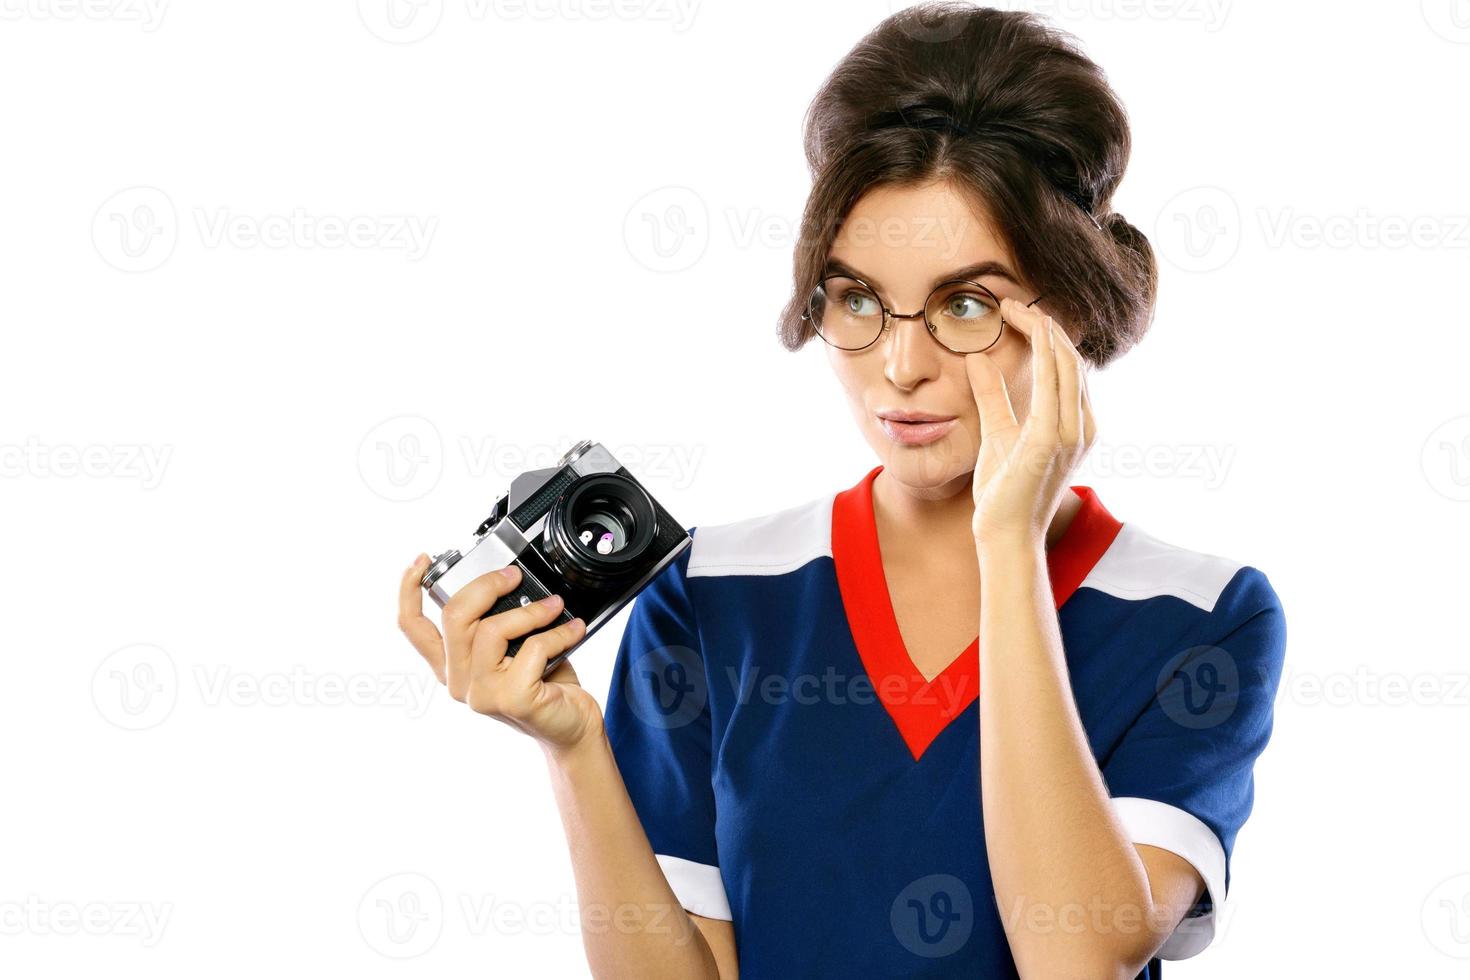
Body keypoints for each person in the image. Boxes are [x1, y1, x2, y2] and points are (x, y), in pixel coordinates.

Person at [395, 4, 1286, 976]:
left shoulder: (1198, 613)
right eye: (857, 298)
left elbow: (1075, 955)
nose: (899, 365)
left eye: (967, 303)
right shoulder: (715, 589)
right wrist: (573, 745)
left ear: (1066, 313)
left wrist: (1009, 543)